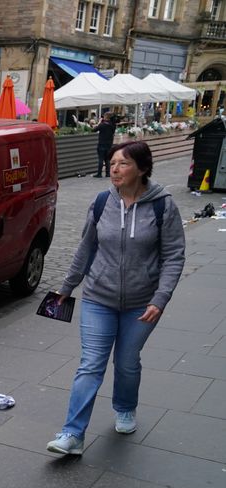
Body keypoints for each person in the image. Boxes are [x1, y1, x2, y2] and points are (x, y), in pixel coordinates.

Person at [47, 141, 186, 456]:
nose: (114, 169)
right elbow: (86, 247)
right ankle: (72, 434)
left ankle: (125, 407)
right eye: (112, 163)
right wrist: (66, 287)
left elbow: (174, 256)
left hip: (143, 303)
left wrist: (160, 299)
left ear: (142, 168)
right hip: (98, 297)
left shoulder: (163, 205)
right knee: (90, 364)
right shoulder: (100, 202)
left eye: (122, 163)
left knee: (126, 362)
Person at [92, 112, 118, 177]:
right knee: (107, 159)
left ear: (105, 116)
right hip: (109, 144)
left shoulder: (102, 124)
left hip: (102, 143)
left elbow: (94, 130)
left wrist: (100, 122)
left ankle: (99, 173)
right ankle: (108, 173)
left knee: (101, 159)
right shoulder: (113, 124)